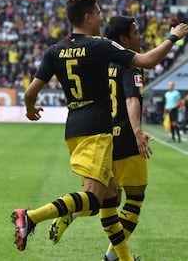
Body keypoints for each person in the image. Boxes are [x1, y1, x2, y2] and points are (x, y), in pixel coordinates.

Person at [11, 0, 188, 260]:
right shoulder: (99, 46)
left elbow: (29, 92)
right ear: (88, 16)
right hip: (97, 130)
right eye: (98, 12)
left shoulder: (54, 50)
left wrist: (30, 109)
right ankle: (31, 216)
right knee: (94, 198)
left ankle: (123, 259)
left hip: (73, 129)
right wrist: (173, 37)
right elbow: (148, 61)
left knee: (107, 201)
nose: (101, 17)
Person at [48, 15, 153, 261]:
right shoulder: (129, 63)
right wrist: (137, 131)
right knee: (134, 199)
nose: (140, 36)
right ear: (124, 39)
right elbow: (131, 98)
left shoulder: (98, 60)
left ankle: (72, 212)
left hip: (101, 137)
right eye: (136, 32)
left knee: (107, 198)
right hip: (126, 138)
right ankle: (112, 257)